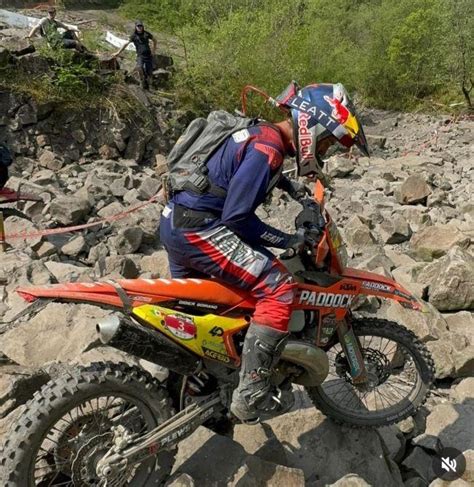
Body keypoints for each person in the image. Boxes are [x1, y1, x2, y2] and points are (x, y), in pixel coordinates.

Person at [159, 82, 369, 422]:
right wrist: (287, 240)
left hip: (176, 224)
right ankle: (252, 393)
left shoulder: (263, 134)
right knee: (278, 286)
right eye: (328, 141)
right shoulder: (268, 148)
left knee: (202, 315)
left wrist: (295, 189)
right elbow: (237, 217)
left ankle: (187, 394)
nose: (326, 151)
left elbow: (255, 174)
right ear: (311, 127)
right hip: (201, 231)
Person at [113, 20, 157, 90]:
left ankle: (149, 85)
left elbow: (154, 40)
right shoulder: (133, 36)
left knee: (149, 72)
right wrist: (118, 52)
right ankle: (142, 82)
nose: (139, 27)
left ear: (143, 26)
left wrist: (153, 50)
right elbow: (125, 44)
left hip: (148, 55)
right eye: (138, 26)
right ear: (136, 27)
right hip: (140, 56)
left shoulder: (146, 34)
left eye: (141, 26)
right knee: (139, 67)